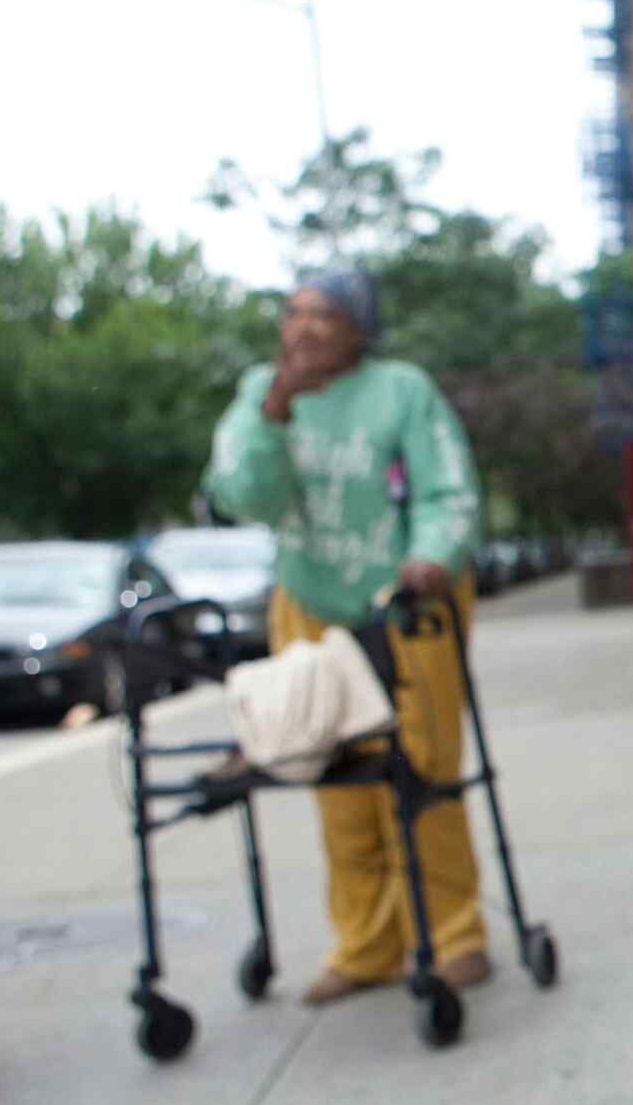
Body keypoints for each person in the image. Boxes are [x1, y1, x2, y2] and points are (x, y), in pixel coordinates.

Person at [202, 268, 487, 1003]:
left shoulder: (400, 389)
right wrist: (272, 413)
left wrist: (432, 552)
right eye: (292, 312)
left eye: (323, 314)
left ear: (359, 328)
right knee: (331, 775)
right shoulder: (262, 393)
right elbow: (243, 497)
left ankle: (453, 934)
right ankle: (366, 944)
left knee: (420, 768)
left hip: (401, 604)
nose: (301, 328)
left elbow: (446, 488)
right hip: (309, 603)